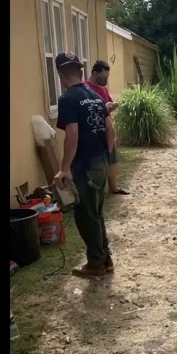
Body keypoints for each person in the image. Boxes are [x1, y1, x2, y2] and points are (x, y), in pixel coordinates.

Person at [53, 51, 114, 279]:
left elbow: (72, 135)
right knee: (96, 214)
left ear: (60, 74)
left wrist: (64, 168)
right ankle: (105, 259)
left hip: (86, 167)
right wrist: (105, 157)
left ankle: (96, 263)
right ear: (80, 71)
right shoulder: (95, 96)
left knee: (86, 216)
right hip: (100, 163)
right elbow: (110, 131)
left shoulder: (67, 99)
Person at [83, 60, 130, 195]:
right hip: (94, 132)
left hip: (107, 131)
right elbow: (88, 111)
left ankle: (113, 187)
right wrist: (105, 107)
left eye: (107, 77)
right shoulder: (85, 89)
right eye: (104, 77)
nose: (106, 80)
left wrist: (112, 106)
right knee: (96, 161)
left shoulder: (103, 89)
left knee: (112, 159)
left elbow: (107, 106)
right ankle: (95, 189)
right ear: (95, 73)